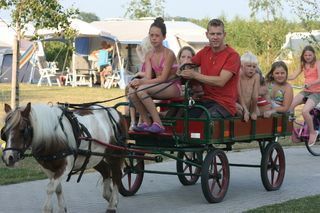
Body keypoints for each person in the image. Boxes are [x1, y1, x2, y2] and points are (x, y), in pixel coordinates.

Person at [179, 18, 241, 118]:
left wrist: (194, 75)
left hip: (224, 104)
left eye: (218, 34)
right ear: (207, 35)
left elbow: (221, 81)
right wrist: (182, 69)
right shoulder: (205, 51)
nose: (215, 37)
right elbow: (188, 65)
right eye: (212, 34)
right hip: (206, 100)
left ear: (224, 35)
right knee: (182, 117)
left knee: (204, 121)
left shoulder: (232, 55)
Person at [128, 17, 181, 133]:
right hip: (159, 85)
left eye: (157, 35)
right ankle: (146, 121)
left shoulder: (169, 54)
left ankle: (158, 123)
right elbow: (148, 76)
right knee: (131, 91)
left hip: (172, 85)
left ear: (164, 37)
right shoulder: (149, 54)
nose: (154, 38)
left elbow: (163, 78)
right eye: (151, 35)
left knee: (141, 90)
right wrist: (136, 82)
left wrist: (141, 82)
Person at [288, 45, 320, 146]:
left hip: (316, 92)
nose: (307, 57)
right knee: (290, 106)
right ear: (303, 56)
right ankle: (293, 131)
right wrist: (282, 77)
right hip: (306, 91)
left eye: (310, 55)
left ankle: (312, 132)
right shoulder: (303, 64)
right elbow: (293, 76)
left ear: (313, 55)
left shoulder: (318, 63)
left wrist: (311, 84)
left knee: (305, 111)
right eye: (305, 55)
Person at [128, 36, 154, 130]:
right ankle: (133, 121)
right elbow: (143, 60)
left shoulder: (151, 59)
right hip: (143, 82)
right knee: (131, 93)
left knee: (139, 93)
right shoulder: (145, 60)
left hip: (148, 83)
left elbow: (150, 74)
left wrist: (139, 74)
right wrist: (138, 51)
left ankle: (139, 121)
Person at [236, 51, 260, 122]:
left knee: (258, 113)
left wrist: (254, 111)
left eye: (254, 66)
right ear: (242, 66)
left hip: (250, 104)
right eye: (249, 66)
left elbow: (255, 95)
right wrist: (245, 110)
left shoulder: (256, 76)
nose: (252, 68)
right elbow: (239, 95)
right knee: (239, 112)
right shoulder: (239, 74)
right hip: (239, 102)